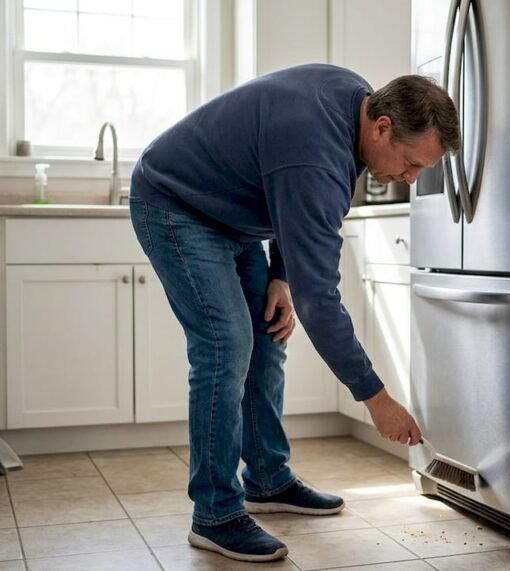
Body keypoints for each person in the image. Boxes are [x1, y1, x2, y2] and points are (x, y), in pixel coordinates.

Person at [128, 63, 460, 563]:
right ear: (382, 127)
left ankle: (267, 478)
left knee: (267, 333)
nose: (411, 179)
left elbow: (291, 198)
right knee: (226, 342)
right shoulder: (316, 153)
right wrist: (376, 398)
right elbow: (319, 298)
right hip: (175, 203)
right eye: (411, 164)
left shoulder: (354, 101)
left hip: (233, 217)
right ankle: (215, 514)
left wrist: (280, 275)